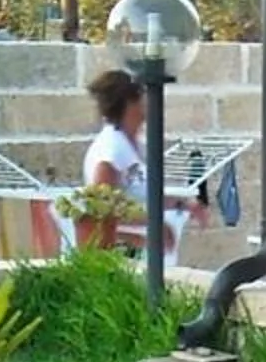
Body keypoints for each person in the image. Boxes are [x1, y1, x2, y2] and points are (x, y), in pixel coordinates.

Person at [77, 68, 206, 260]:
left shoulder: (133, 146)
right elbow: (103, 212)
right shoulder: (110, 152)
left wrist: (183, 204)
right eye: (144, 96)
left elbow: (141, 196)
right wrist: (154, 227)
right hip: (128, 256)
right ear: (131, 102)